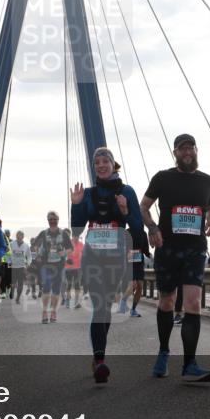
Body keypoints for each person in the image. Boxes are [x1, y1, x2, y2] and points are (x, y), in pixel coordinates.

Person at [140, 133, 210, 382]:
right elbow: (143, 206)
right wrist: (152, 228)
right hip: (168, 249)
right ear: (175, 153)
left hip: (196, 249)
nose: (187, 152)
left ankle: (189, 365)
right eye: (182, 149)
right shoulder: (163, 178)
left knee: (193, 303)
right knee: (167, 301)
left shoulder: (207, 181)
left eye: (190, 148)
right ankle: (163, 351)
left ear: (196, 150)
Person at [70, 148, 145, 383]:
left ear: (113, 164)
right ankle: (100, 360)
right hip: (92, 258)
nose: (101, 165)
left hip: (116, 259)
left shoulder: (127, 191)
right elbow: (76, 229)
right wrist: (76, 205)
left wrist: (125, 211)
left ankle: (98, 357)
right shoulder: (88, 193)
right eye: (97, 163)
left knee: (106, 307)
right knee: (100, 306)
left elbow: (137, 228)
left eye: (105, 161)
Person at [35, 211, 73, 323]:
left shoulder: (63, 234)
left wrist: (64, 252)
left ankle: (53, 311)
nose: (52, 221)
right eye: (50, 219)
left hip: (59, 265)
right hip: (46, 265)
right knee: (46, 287)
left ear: (58, 220)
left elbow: (71, 248)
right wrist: (39, 252)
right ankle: (44, 312)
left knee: (56, 290)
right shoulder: (43, 233)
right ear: (48, 220)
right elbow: (35, 245)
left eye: (54, 219)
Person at [8, 231, 32, 303]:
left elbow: (29, 256)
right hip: (13, 266)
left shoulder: (26, 246)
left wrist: (28, 263)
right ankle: (12, 290)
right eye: (18, 236)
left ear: (23, 237)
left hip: (22, 266)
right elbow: (8, 254)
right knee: (13, 282)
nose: (19, 237)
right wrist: (9, 263)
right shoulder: (11, 244)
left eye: (20, 236)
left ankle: (18, 298)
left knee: (20, 283)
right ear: (16, 236)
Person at [63, 233, 83, 308]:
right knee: (69, 284)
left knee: (77, 284)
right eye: (75, 236)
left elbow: (84, 254)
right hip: (69, 267)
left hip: (78, 267)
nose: (76, 238)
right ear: (72, 237)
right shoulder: (68, 243)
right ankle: (67, 301)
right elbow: (63, 253)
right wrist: (66, 260)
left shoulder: (81, 244)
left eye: (77, 236)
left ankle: (76, 302)